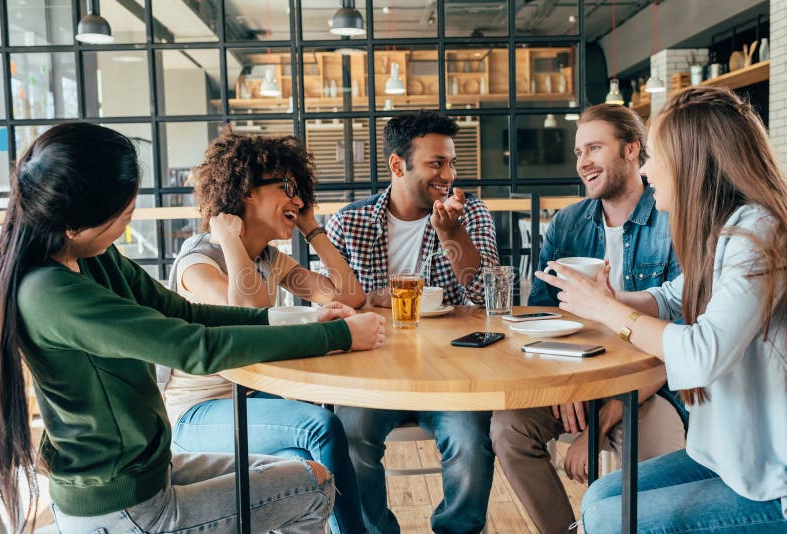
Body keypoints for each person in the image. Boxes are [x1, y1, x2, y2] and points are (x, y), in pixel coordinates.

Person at [0, 122, 385, 534]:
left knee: (311, 470)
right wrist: (335, 337)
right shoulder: (49, 293)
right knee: (312, 486)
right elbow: (194, 346)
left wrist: (304, 317)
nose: (127, 226)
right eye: (122, 216)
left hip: (151, 471)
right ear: (75, 222)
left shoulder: (92, 257)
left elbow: (181, 312)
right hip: (122, 507)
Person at [536, 87, 787, 533]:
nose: (647, 169)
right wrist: (606, 299)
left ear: (695, 162)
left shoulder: (761, 236)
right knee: (598, 497)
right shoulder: (728, 230)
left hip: (774, 485)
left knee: (609, 519)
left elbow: (700, 354)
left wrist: (608, 312)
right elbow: (673, 296)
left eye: (657, 157)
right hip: (730, 460)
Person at [489, 103, 685, 533]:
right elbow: (539, 315)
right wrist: (564, 380)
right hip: (574, 378)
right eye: (579, 152)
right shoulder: (567, 223)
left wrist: (601, 421)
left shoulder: (672, 221)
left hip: (647, 383)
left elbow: (679, 343)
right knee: (508, 427)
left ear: (632, 149)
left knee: (660, 461)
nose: (583, 162)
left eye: (594, 148)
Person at [163, 131, 367, 534]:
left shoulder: (271, 260)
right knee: (320, 426)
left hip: (251, 400)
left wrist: (312, 228)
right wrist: (227, 239)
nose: (297, 200)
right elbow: (247, 314)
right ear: (247, 192)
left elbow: (350, 294)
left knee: (305, 466)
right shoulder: (198, 264)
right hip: (197, 415)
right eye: (288, 188)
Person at [326, 110, 499, 533]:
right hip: (372, 372)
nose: (448, 174)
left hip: (450, 373)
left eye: (452, 162)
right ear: (398, 165)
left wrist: (452, 234)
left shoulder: (469, 214)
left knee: (470, 440)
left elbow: (488, 299)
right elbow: (330, 306)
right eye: (436, 163)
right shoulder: (348, 223)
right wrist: (369, 300)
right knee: (346, 438)